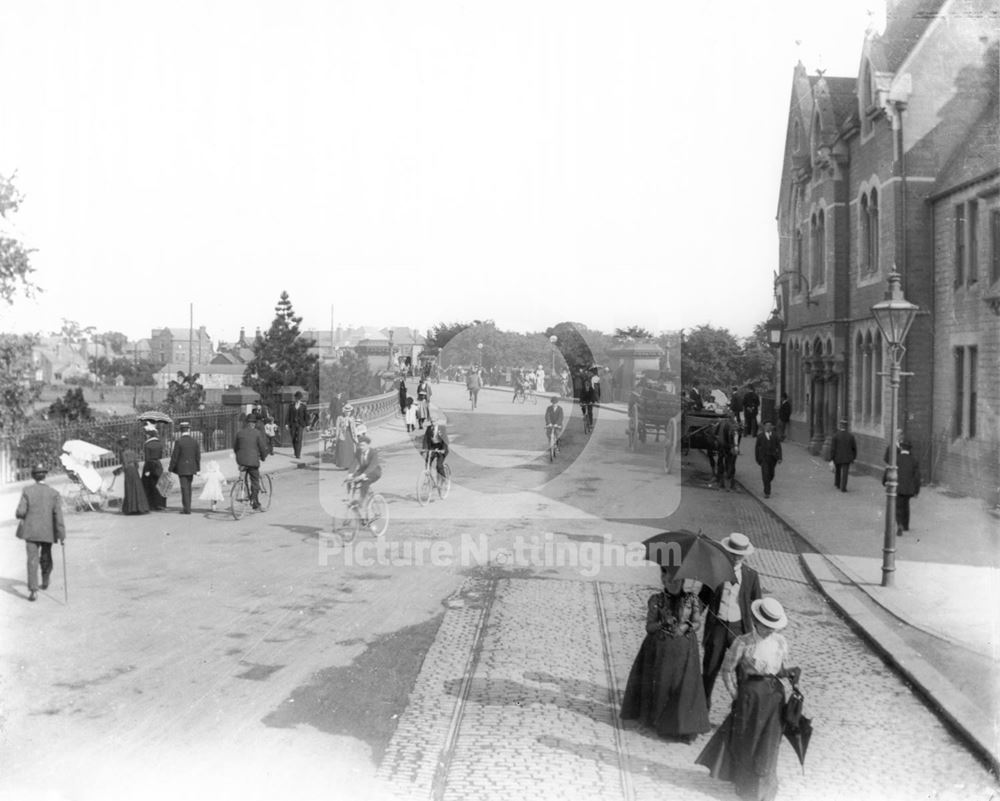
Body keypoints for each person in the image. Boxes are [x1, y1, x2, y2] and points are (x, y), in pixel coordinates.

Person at [696, 597, 801, 801]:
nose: (769, 630)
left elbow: (778, 671)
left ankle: (765, 786)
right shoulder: (743, 642)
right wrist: (736, 695)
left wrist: (790, 673)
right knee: (749, 741)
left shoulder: (780, 642)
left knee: (769, 743)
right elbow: (727, 671)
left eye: (773, 626)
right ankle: (745, 784)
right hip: (751, 699)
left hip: (775, 700)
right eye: (766, 625)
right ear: (756, 621)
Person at [620, 568, 710, 741]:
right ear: (663, 580)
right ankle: (656, 720)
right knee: (661, 684)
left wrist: (686, 625)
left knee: (681, 686)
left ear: (683, 581)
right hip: (660, 650)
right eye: (668, 581)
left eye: (676, 581)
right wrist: (663, 622)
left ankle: (680, 725)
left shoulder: (691, 600)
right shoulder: (656, 600)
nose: (672, 584)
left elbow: (698, 622)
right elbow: (649, 627)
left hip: (684, 650)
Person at [699, 533, 762, 711]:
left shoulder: (750, 575)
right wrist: (692, 618)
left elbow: (757, 603)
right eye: (732, 553)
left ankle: (740, 713)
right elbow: (703, 597)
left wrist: (758, 634)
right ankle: (702, 714)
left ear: (745, 555)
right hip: (717, 626)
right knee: (709, 671)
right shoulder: (715, 571)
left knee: (741, 673)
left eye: (739, 554)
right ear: (726, 552)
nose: (735, 557)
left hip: (739, 629)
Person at [15, 463, 66, 602]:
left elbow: (21, 511)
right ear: (45, 475)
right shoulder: (54, 493)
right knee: (46, 556)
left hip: (30, 531)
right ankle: (45, 580)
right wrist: (62, 535)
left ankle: (33, 590)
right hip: (47, 532)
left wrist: (19, 514)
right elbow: (58, 516)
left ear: (33, 476)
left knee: (32, 560)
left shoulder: (27, 490)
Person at [234, 414, 269, 511]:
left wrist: (239, 459)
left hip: (241, 461)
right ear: (254, 424)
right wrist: (263, 457)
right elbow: (262, 447)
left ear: (246, 423)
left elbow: (235, 447)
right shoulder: (257, 433)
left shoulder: (239, 433)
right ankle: (253, 500)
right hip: (253, 461)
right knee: (255, 481)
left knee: (244, 478)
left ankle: (250, 499)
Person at [169, 421, 201, 514]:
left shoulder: (179, 442)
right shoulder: (194, 441)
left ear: (180, 430)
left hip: (182, 469)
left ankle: (186, 508)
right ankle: (188, 506)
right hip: (192, 468)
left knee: (184, 488)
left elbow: (175, 456)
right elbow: (198, 456)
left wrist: (170, 468)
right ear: (189, 429)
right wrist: (198, 469)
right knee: (189, 487)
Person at [890, 441, 921, 537]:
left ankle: (899, 524)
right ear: (909, 450)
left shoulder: (896, 459)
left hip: (897, 487)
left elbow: (889, 470)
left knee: (898, 506)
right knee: (906, 505)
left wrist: (884, 481)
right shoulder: (914, 460)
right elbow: (917, 477)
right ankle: (906, 525)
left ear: (901, 449)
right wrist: (916, 491)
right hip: (908, 488)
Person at [115, 435, 150, 515]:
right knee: (137, 487)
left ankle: (131, 508)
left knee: (130, 488)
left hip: (129, 471)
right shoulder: (132, 451)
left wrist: (118, 470)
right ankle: (141, 507)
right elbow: (136, 464)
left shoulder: (122, 453)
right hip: (134, 470)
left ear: (121, 444)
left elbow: (125, 465)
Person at [347, 435, 382, 513]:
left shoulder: (373, 453)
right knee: (350, 481)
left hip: (374, 472)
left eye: (363, 445)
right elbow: (354, 463)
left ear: (368, 445)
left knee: (365, 483)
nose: (361, 447)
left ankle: (361, 501)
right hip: (362, 470)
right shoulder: (359, 452)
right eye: (360, 445)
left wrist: (363, 475)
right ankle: (350, 498)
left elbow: (373, 465)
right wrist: (350, 474)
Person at [141, 423, 167, 510]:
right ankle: (160, 503)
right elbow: (160, 455)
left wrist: (147, 470)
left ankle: (151, 504)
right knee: (159, 484)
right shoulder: (159, 444)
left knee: (148, 485)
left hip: (149, 465)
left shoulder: (147, 445)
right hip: (158, 465)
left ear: (149, 435)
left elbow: (147, 458)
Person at [754, 421, 782, 499]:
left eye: (770, 426)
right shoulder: (760, 436)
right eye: (766, 426)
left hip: (773, 458)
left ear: (772, 427)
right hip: (764, 458)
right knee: (765, 474)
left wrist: (779, 458)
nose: (768, 427)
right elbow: (756, 448)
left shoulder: (775, 436)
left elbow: (779, 447)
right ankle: (767, 492)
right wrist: (757, 459)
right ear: (764, 427)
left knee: (771, 474)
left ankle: (767, 483)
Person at [830, 418, 858, 492]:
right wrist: (853, 457)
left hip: (837, 457)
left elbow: (833, 448)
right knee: (845, 473)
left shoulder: (835, 436)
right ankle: (843, 487)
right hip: (847, 458)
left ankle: (837, 484)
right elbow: (854, 448)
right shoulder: (851, 436)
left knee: (838, 471)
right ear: (846, 426)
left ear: (840, 426)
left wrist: (831, 458)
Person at [287, 391, 309, 459]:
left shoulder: (303, 406)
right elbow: (288, 415)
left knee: (299, 439)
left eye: (299, 398)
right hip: (293, 424)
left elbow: (306, 416)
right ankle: (296, 451)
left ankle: (298, 454)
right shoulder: (291, 406)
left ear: (300, 399)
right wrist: (286, 424)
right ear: (295, 398)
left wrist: (307, 425)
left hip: (300, 424)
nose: (297, 399)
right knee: (293, 438)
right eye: (296, 398)